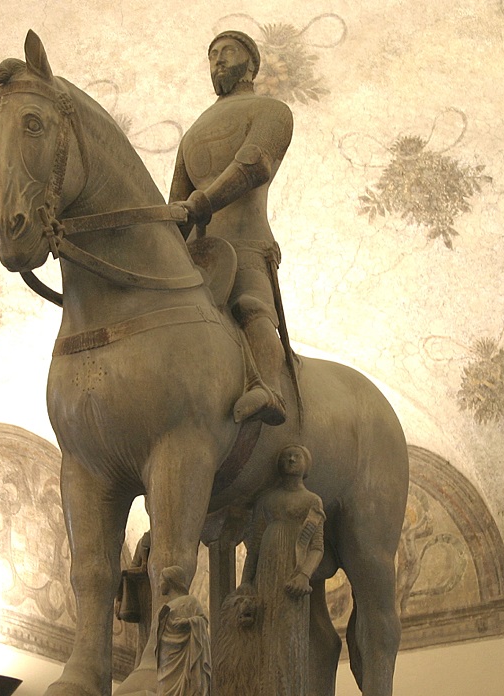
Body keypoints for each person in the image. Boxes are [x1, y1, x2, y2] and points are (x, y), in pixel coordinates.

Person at [169, 30, 294, 426]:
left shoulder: (271, 111)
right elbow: (175, 204)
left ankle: (268, 389)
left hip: (246, 242)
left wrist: (203, 202)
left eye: (228, 52)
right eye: (212, 55)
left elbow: (254, 164)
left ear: (252, 65)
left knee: (250, 306)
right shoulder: (191, 133)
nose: (218, 60)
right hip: (196, 255)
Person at [240, 445, 325, 696]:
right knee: (265, 637)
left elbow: (317, 547)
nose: (290, 458)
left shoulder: (312, 501)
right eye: (286, 455)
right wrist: (246, 583)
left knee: (289, 637)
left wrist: (304, 574)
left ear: (306, 465)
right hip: (267, 573)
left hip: (292, 574)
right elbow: (254, 545)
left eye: (296, 455)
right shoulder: (266, 501)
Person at [155, 566, 211, 696]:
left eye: (161, 580)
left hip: (186, 659)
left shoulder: (191, 602)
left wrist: (187, 622)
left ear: (170, 581)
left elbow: (203, 622)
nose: (159, 585)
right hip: (166, 662)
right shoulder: (162, 610)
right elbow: (156, 643)